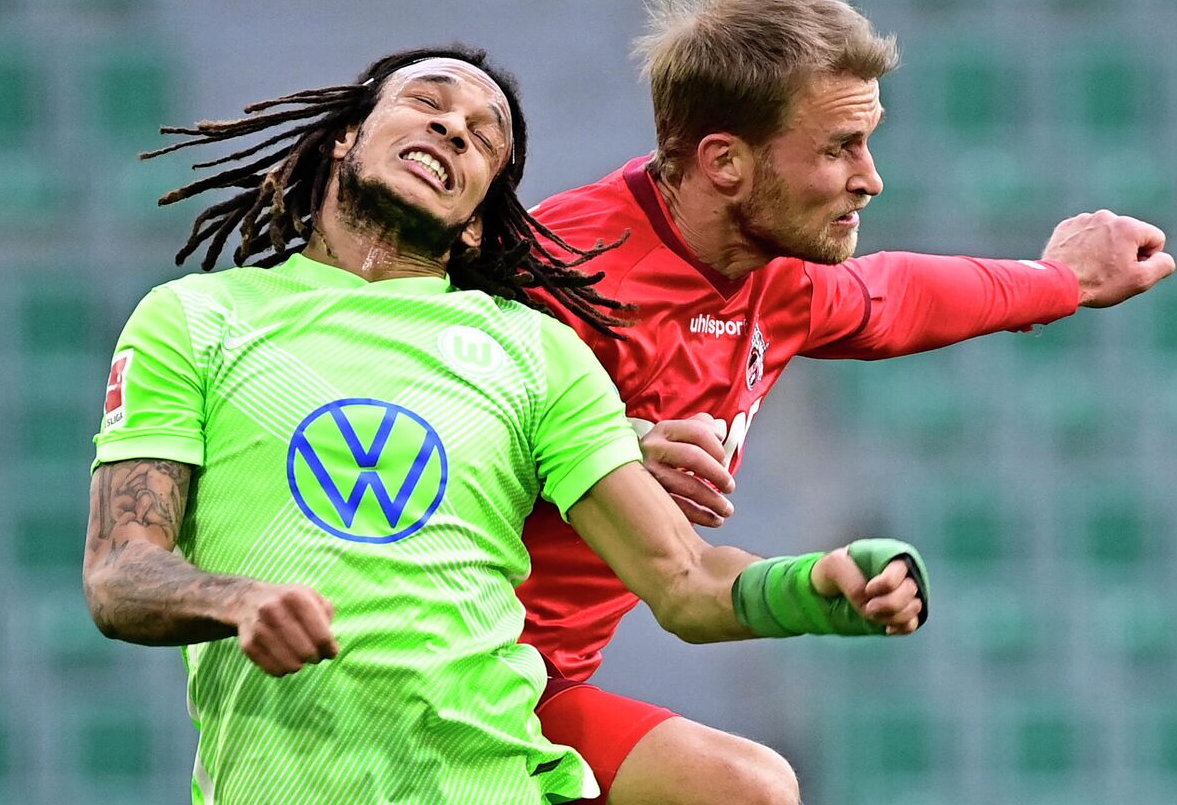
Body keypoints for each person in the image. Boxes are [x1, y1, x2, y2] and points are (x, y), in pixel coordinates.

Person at [81, 45, 930, 805]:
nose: (453, 127)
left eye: (484, 138)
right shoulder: (195, 320)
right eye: (427, 103)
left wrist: (820, 588)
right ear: (346, 134)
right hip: (277, 780)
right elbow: (120, 573)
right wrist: (237, 601)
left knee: (751, 790)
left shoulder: (534, 354)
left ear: (482, 215)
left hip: (490, 777)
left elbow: (686, 582)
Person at [518, 0, 1177, 805]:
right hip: (437, 682)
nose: (871, 178)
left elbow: (892, 297)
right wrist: (616, 443)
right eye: (839, 148)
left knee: (747, 791)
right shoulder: (560, 275)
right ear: (725, 161)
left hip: (545, 692)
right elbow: (412, 415)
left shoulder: (772, 275)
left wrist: (1063, 281)